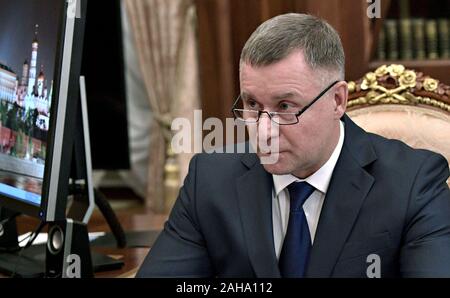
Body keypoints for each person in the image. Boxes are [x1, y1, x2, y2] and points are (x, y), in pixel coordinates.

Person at [137, 13, 450, 278]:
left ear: (338, 100)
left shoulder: (412, 182)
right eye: (251, 104)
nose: (263, 130)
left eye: (285, 106)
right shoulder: (209, 180)